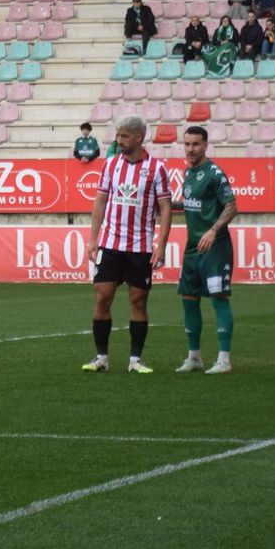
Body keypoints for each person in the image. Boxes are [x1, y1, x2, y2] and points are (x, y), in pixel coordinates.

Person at [83, 115, 171, 374]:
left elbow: (165, 208)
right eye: (118, 135)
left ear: (138, 138)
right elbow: (99, 201)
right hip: (110, 243)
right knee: (102, 297)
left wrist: (161, 245)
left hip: (141, 246)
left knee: (139, 301)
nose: (118, 140)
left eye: (123, 136)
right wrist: (93, 239)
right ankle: (101, 358)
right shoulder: (110, 165)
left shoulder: (156, 168)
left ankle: (135, 360)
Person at [173, 126, 236, 374]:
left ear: (206, 145)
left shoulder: (214, 173)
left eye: (196, 144)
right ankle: (194, 357)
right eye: (187, 144)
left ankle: (224, 360)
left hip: (215, 247)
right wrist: (165, 204)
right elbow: (191, 203)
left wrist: (213, 230)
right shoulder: (189, 173)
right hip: (192, 248)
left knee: (219, 298)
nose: (190, 149)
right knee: (189, 299)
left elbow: (231, 206)